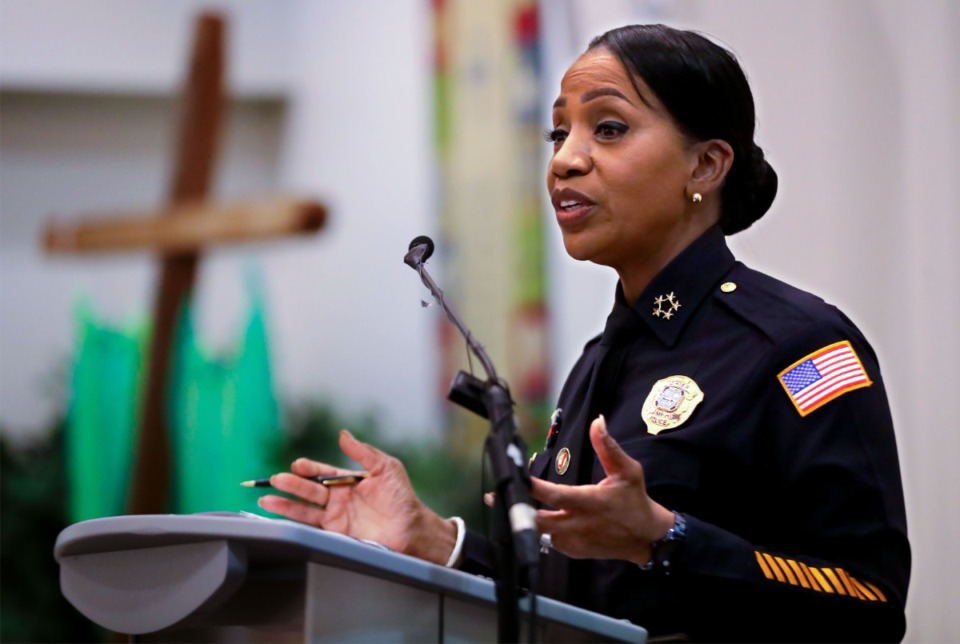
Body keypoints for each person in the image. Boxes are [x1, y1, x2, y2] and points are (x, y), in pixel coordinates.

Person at [259, 24, 910, 642]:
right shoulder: (600, 363)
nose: (566, 160)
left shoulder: (797, 346)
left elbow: (870, 603)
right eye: (558, 133)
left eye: (609, 128)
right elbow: (578, 609)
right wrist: (435, 540)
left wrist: (667, 537)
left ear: (706, 167)